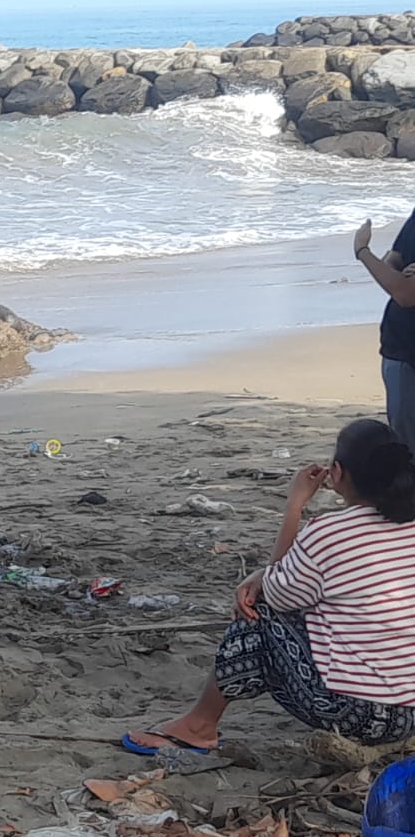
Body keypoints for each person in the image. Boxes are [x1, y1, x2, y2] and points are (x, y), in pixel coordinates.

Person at [125, 419, 415, 756]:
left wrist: (294, 505)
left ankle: (199, 726)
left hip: (362, 717)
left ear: (337, 472)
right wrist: (266, 575)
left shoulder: (329, 533)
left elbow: (275, 594)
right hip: (410, 715)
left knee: (256, 608)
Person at [354, 213, 415, 447]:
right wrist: (397, 274)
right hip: (399, 346)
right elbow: (393, 259)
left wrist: (362, 251)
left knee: (407, 443)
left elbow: (405, 294)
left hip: (406, 352)